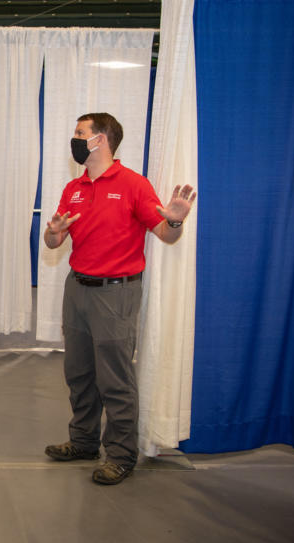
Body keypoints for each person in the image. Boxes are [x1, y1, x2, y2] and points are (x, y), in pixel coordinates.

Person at [43, 112, 196, 485]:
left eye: (80, 133)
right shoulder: (74, 187)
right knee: (78, 373)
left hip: (116, 293)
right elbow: (53, 242)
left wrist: (174, 220)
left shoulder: (133, 184)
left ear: (102, 139)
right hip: (77, 288)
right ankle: (83, 441)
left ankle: (122, 455)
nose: (75, 139)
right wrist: (53, 233)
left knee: (114, 378)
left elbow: (165, 233)